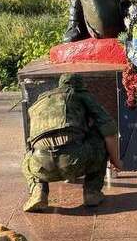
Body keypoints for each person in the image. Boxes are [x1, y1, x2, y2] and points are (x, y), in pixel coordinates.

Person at [22, 73, 122, 212]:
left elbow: (31, 138)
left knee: (28, 157)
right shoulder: (80, 95)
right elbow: (109, 130)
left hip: (41, 167)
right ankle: (92, 192)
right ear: (81, 87)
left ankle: (38, 191)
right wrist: (116, 161)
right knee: (99, 136)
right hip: (75, 160)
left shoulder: (41, 100)